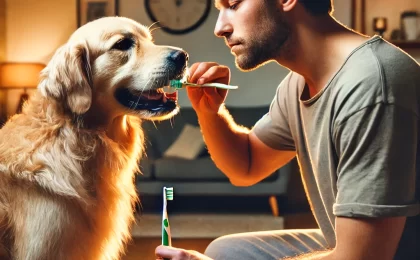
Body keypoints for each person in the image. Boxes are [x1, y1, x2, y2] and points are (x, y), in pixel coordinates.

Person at [155, 0, 420, 259]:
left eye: (233, 5)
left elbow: (363, 256)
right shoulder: (299, 83)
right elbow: (246, 166)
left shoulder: (372, 86)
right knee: (225, 252)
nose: (220, 28)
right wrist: (209, 112)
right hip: (352, 247)